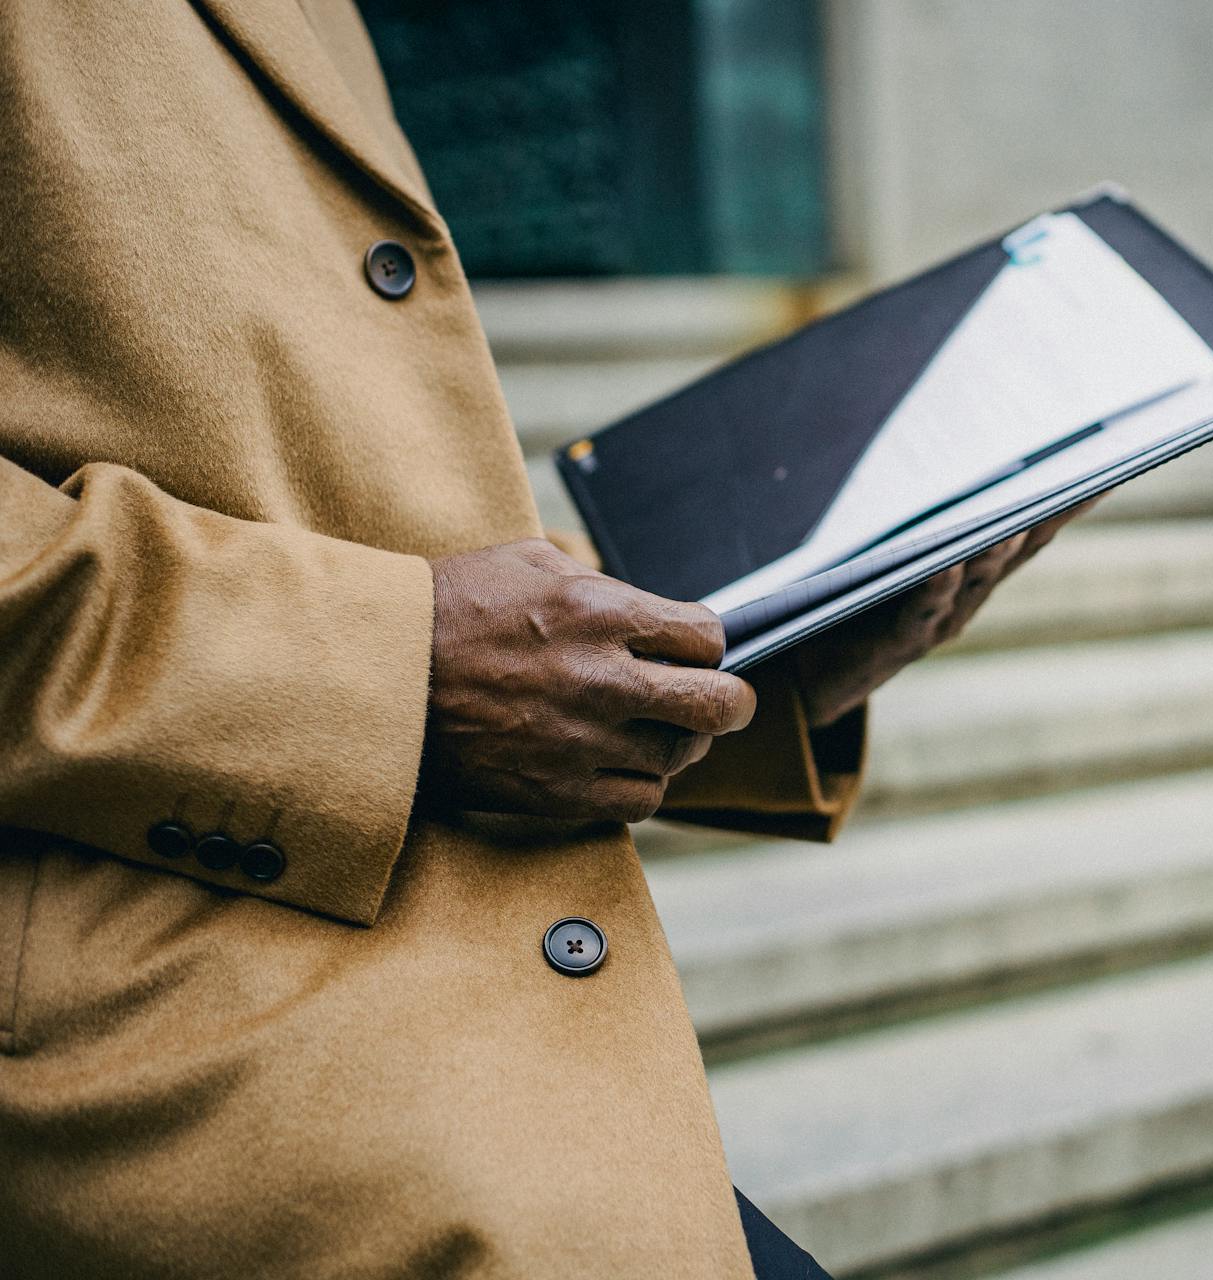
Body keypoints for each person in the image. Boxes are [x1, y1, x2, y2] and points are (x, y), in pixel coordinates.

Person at [0, 2, 1078, 1275]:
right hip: (160, 1048)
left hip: (424, 1048)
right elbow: (412, 640)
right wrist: (387, 673)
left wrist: (734, 674)